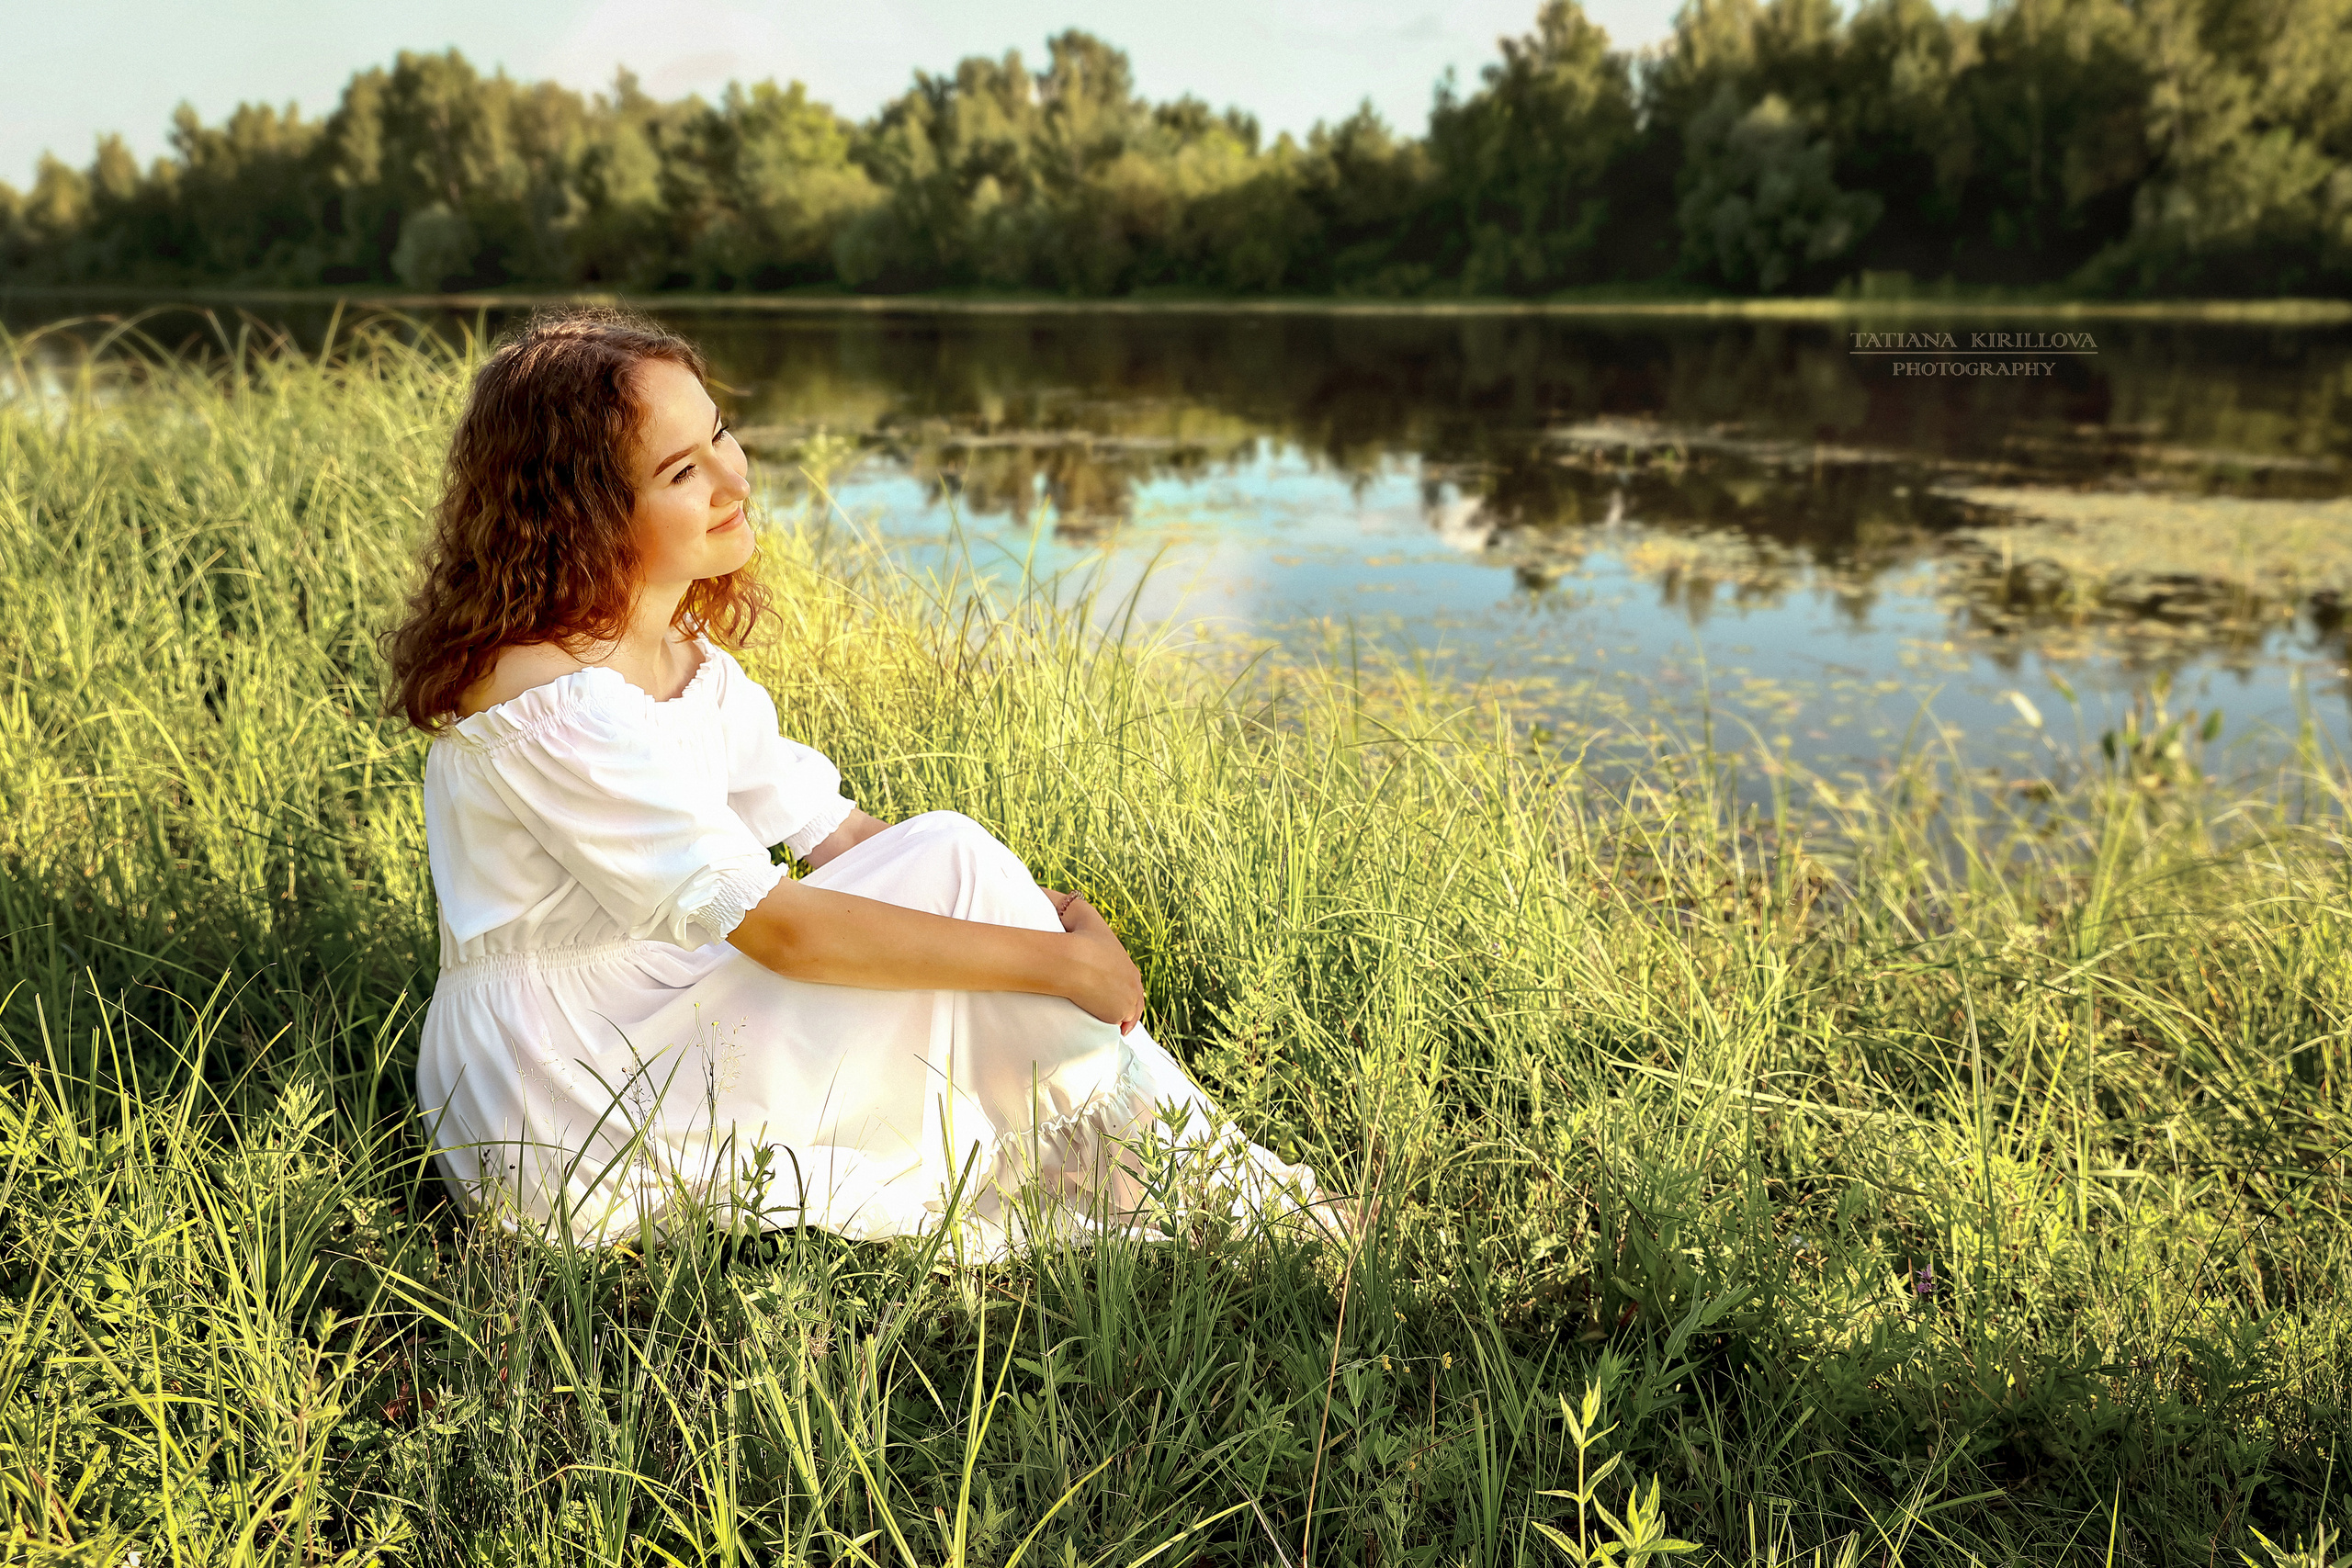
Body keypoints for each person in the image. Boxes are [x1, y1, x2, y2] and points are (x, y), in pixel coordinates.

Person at [388, 307, 1338, 1251]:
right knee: (962, 883)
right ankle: (1238, 1208)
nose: (732, 475)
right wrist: (1065, 966)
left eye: (718, 432)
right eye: (682, 472)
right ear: (582, 514)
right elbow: (784, 933)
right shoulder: (554, 702)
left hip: (660, 1008)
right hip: (569, 1083)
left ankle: (1216, 1191)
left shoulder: (674, 649)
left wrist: (1021, 912)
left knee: (957, 855)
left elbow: (838, 837)